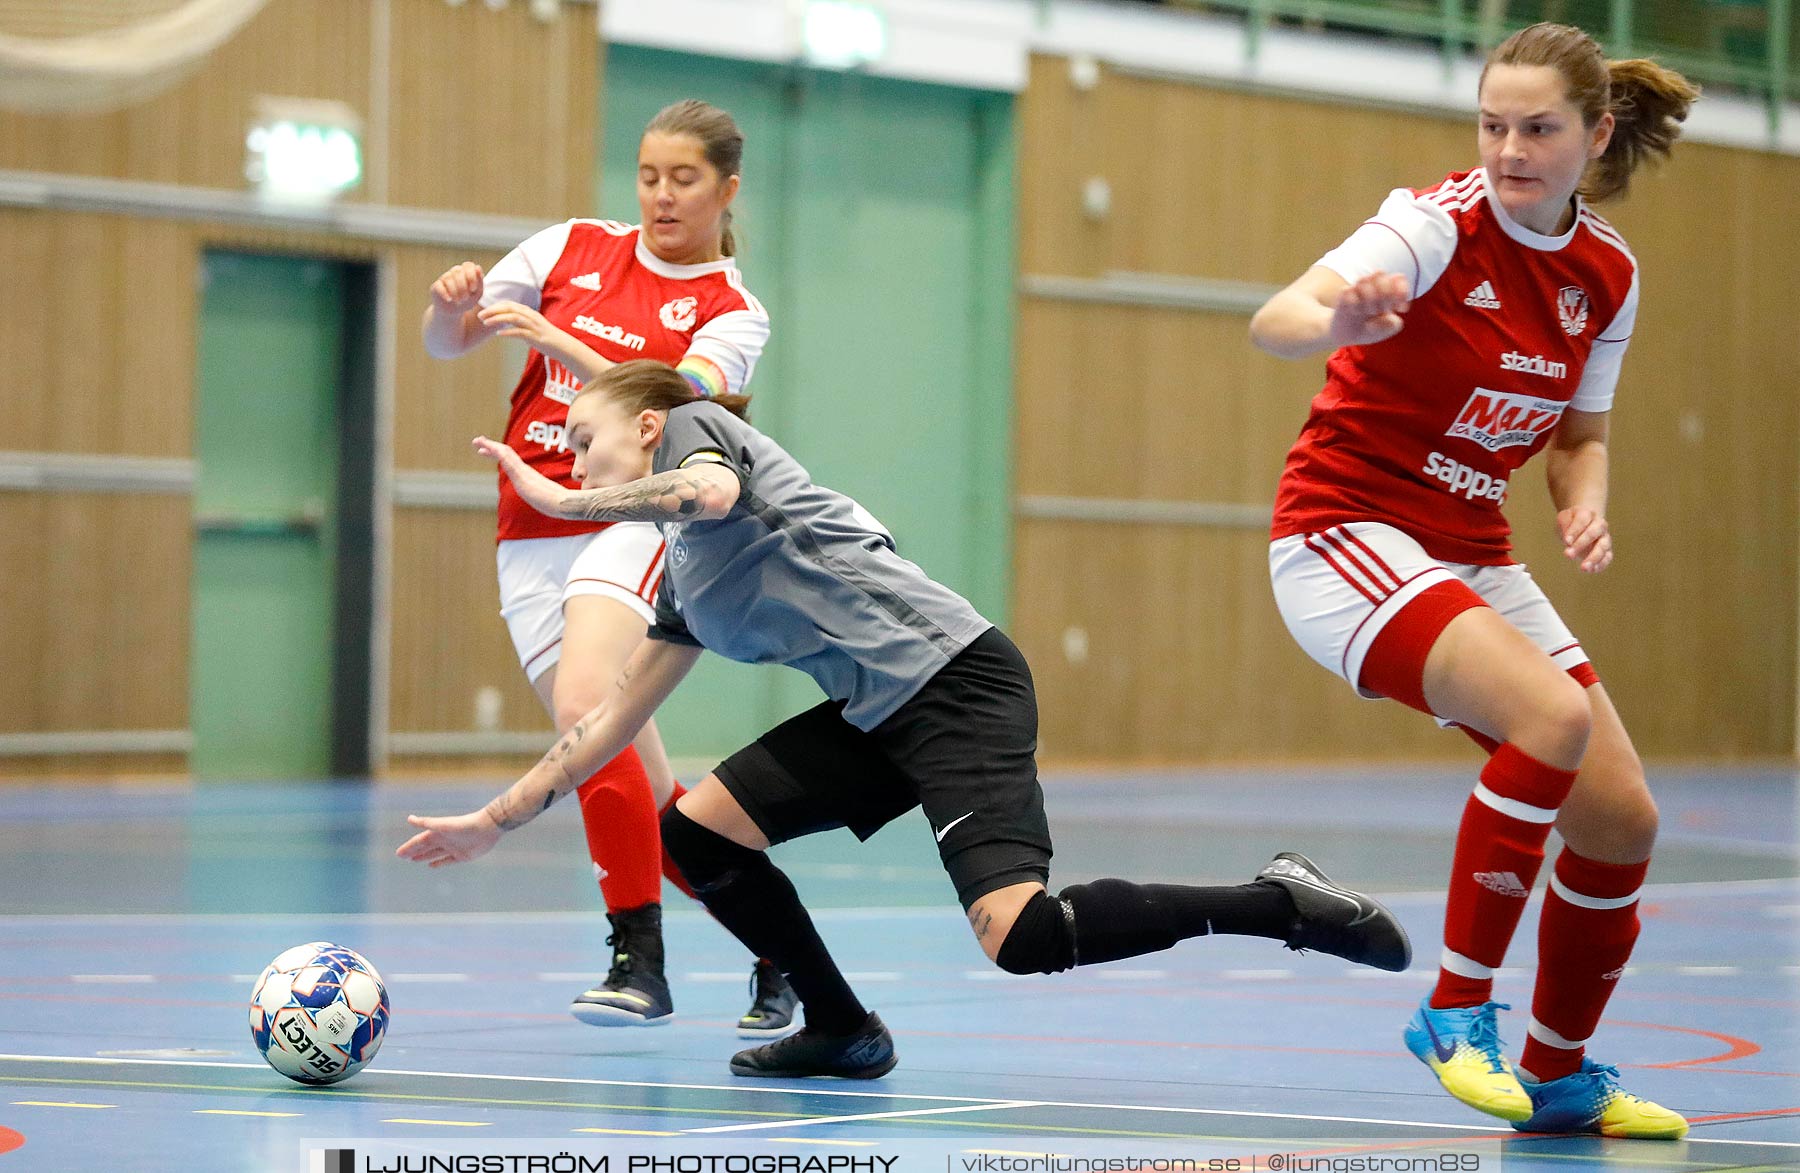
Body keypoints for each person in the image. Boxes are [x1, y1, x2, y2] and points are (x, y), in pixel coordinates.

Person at [396, 359, 1413, 1079]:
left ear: (648, 427)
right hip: (873, 717)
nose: (573, 463)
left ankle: (1278, 902)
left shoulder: (705, 436)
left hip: (957, 685)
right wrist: (501, 816)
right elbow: (614, 715)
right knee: (696, 834)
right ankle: (841, 1029)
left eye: (584, 441)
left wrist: (566, 505)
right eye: (565, 456)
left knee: (1024, 938)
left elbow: (706, 493)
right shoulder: (687, 586)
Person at [1249, 23, 1698, 1140]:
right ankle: (1454, 1012)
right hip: (1344, 533)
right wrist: (1337, 318)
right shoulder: (1433, 225)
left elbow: (1579, 434)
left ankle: (1558, 1077)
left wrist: (1581, 496)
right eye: (1492, 125)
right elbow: (1278, 318)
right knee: (1548, 720)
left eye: (1537, 129)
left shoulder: (1606, 276)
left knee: (1621, 816)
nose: (1509, 150)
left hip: (1468, 547)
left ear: (1594, 135)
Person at [419, 99, 796, 1036]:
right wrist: (446, 308)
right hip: (531, 525)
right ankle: (782, 949)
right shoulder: (569, 249)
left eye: (685, 179)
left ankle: (638, 960)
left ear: (727, 189)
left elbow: (673, 400)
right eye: (648, 176)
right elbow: (451, 341)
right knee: (629, 783)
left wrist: (566, 349)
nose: (662, 197)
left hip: (636, 516)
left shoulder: (731, 312)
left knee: (589, 700)